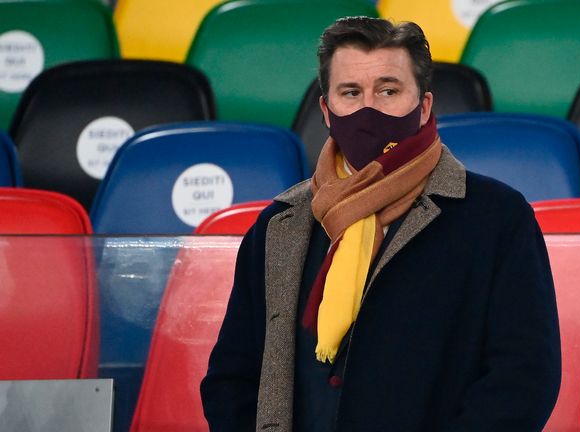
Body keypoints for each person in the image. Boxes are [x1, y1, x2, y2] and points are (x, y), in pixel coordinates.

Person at [201, 16, 561, 432]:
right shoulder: (280, 224)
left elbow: (523, 381)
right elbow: (232, 378)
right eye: (350, 92)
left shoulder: (496, 217)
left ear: (423, 106)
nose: (368, 109)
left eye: (388, 90)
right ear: (326, 109)